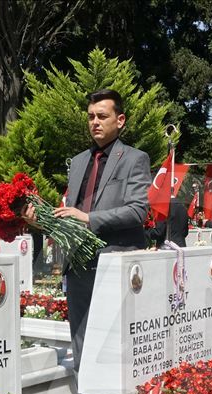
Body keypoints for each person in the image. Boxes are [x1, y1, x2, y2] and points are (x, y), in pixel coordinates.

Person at [28, 89, 150, 370]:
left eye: (102, 116)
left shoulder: (134, 159)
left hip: (115, 261)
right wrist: (41, 220)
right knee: (81, 339)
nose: (95, 121)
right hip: (79, 265)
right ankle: (84, 392)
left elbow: (137, 211)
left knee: (116, 341)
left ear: (120, 120)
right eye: (91, 116)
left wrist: (89, 217)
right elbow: (70, 215)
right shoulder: (79, 161)